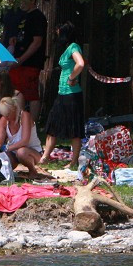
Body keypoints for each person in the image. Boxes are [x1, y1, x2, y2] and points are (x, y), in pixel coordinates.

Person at [39, 22, 86, 167]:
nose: (57, 34)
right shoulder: (66, 49)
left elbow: (81, 63)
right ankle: (45, 157)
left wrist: (72, 77)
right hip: (62, 93)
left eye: (58, 32)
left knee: (74, 128)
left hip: (72, 95)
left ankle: (74, 161)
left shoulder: (73, 47)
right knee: (52, 125)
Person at [9, 0, 48, 120]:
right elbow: (23, 36)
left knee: (31, 94)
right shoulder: (23, 16)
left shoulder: (38, 17)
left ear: (32, 0)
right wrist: (14, 40)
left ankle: (32, 124)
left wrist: (22, 59)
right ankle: (18, 122)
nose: (21, 2)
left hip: (30, 62)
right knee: (16, 91)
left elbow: (37, 42)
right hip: (17, 60)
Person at [0, 96, 45, 176]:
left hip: (32, 152)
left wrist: (7, 148)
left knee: (21, 152)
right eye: (4, 115)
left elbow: (25, 141)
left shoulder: (25, 116)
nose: (6, 117)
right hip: (13, 152)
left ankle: (33, 171)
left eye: (7, 114)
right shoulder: (4, 120)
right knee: (3, 158)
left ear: (13, 109)